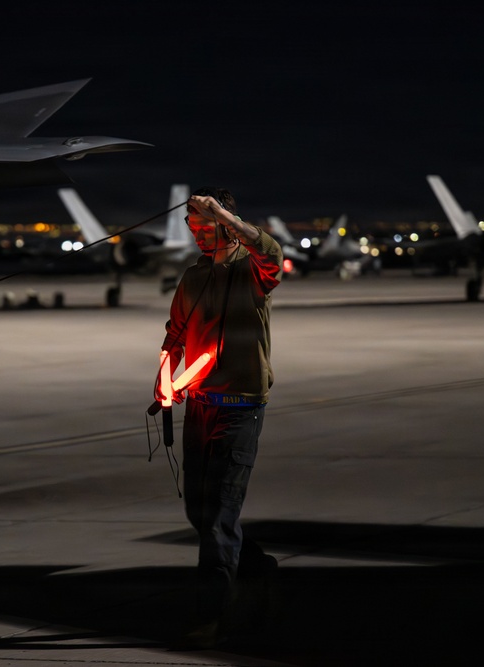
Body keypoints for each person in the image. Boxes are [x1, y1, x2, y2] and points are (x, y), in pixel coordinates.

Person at [155, 186, 283, 648]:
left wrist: (223, 213)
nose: (197, 234)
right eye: (193, 226)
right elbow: (175, 333)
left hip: (241, 407)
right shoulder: (192, 277)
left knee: (218, 519)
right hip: (201, 408)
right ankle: (255, 568)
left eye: (205, 225)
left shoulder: (254, 273)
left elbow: (271, 252)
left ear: (227, 226)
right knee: (199, 512)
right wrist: (165, 377)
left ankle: (211, 617)